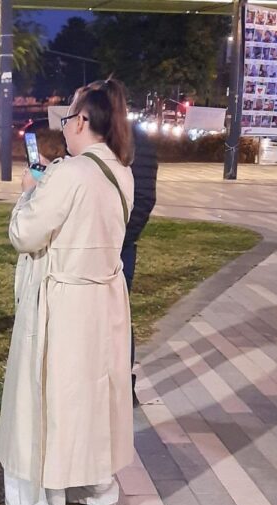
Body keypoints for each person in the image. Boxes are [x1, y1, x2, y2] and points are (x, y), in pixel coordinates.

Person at [0, 78, 135, 505]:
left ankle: (48, 499)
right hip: (106, 300)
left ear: (84, 121)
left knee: (57, 396)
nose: (65, 127)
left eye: (68, 118)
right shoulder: (121, 171)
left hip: (65, 303)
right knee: (98, 394)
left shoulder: (70, 172)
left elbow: (25, 234)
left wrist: (28, 193)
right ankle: (100, 487)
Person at [125, 126, 158, 406]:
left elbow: (145, 197)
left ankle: (124, 383)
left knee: (118, 316)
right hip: (101, 241)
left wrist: (124, 235)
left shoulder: (136, 141)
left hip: (119, 245)